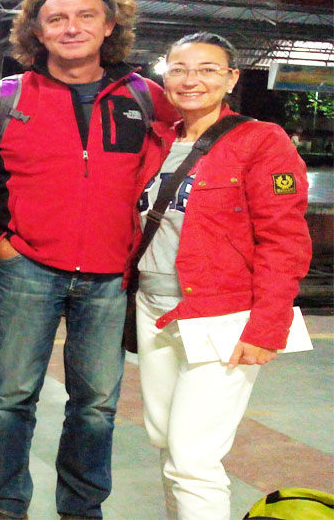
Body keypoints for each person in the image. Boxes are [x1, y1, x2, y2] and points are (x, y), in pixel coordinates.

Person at [0, 0, 178, 519]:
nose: (72, 28)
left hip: (110, 276)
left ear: (109, 26)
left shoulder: (145, 98)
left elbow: (188, 154)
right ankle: (6, 503)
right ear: (37, 32)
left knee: (96, 406)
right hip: (29, 270)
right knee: (13, 396)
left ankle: (81, 508)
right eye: (56, 18)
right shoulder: (6, 98)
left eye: (86, 16)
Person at [132, 32, 310, 520]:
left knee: (193, 458)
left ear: (231, 78)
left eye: (208, 69)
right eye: (179, 69)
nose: (192, 80)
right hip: (153, 309)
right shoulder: (158, 141)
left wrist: (267, 327)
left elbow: (284, 240)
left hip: (223, 315)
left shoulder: (261, 141)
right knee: (165, 439)